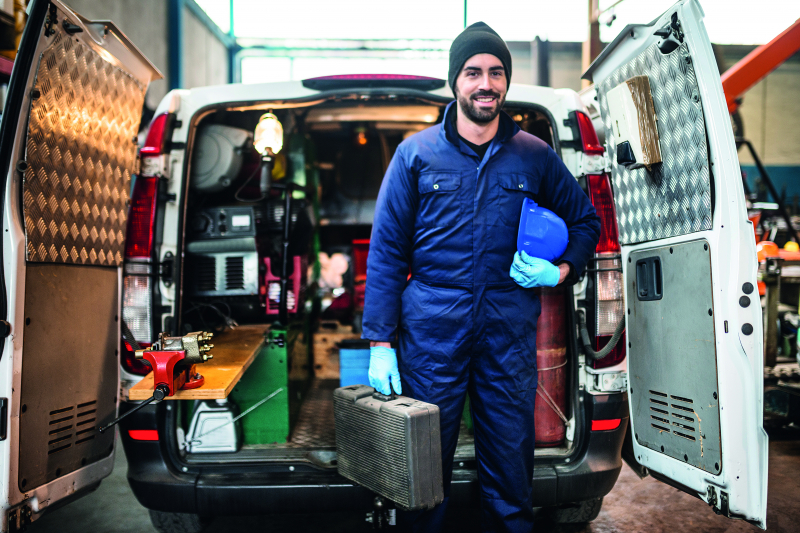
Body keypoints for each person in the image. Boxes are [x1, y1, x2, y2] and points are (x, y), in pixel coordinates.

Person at [361, 21, 601, 533]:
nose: (485, 83)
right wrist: (380, 342)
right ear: (455, 82)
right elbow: (385, 253)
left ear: (505, 84)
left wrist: (559, 270)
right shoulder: (416, 155)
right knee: (421, 463)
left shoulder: (534, 154)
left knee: (510, 461)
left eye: (496, 72)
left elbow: (586, 222)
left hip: (507, 326)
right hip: (432, 328)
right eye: (473, 72)